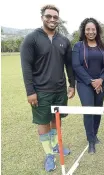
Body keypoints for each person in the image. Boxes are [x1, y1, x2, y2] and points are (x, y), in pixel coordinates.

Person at [20, 5, 75, 172]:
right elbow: (26, 67)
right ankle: (49, 154)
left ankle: (57, 146)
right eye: (48, 16)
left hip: (60, 90)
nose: (52, 19)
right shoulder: (31, 39)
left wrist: (72, 84)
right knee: (43, 122)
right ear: (42, 17)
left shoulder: (63, 40)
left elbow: (69, 65)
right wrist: (30, 91)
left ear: (58, 19)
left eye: (55, 17)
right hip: (41, 91)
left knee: (55, 120)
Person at [72, 18, 104, 154]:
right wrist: (91, 81)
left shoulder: (103, 47)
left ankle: (94, 135)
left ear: (97, 30)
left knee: (97, 110)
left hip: (101, 84)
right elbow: (76, 66)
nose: (90, 32)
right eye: (88, 29)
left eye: (93, 29)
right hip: (85, 84)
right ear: (84, 30)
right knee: (89, 110)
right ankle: (91, 142)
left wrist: (101, 79)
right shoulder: (78, 46)